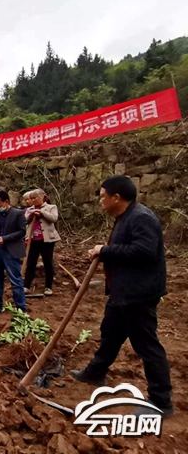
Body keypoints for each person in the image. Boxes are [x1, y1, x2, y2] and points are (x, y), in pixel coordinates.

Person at [71, 176, 173, 417]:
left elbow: (145, 251)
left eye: (102, 196)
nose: (100, 200)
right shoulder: (126, 217)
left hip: (138, 294)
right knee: (111, 332)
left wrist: (106, 250)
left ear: (116, 197)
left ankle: (161, 401)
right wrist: (104, 252)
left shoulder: (141, 217)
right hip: (123, 291)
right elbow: (128, 249)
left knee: (147, 346)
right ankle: (96, 372)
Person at [23, 189, 60, 296]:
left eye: (35, 198)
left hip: (47, 240)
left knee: (48, 262)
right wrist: (31, 215)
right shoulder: (29, 209)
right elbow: (24, 221)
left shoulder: (51, 207)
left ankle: (48, 287)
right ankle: (26, 286)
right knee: (31, 263)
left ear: (42, 197)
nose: (33, 200)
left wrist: (42, 213)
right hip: (33, 239)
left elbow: (54, 218)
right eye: (31, 198)